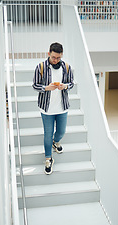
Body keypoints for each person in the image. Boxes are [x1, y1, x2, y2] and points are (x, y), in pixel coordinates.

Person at [32, 42, 74, 175]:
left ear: (61, 56)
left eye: (58, 58)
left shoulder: (67, 67)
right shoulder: (41, 67)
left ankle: (56, 142)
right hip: (47, 109)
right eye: (54, 57)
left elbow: (71, 83)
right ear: (49, 53)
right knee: (47, 134)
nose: (56, 60)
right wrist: (46, 88)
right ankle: (48, 159)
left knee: (61, 131)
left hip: (62, 107)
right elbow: (35, 85)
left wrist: (65, 86)